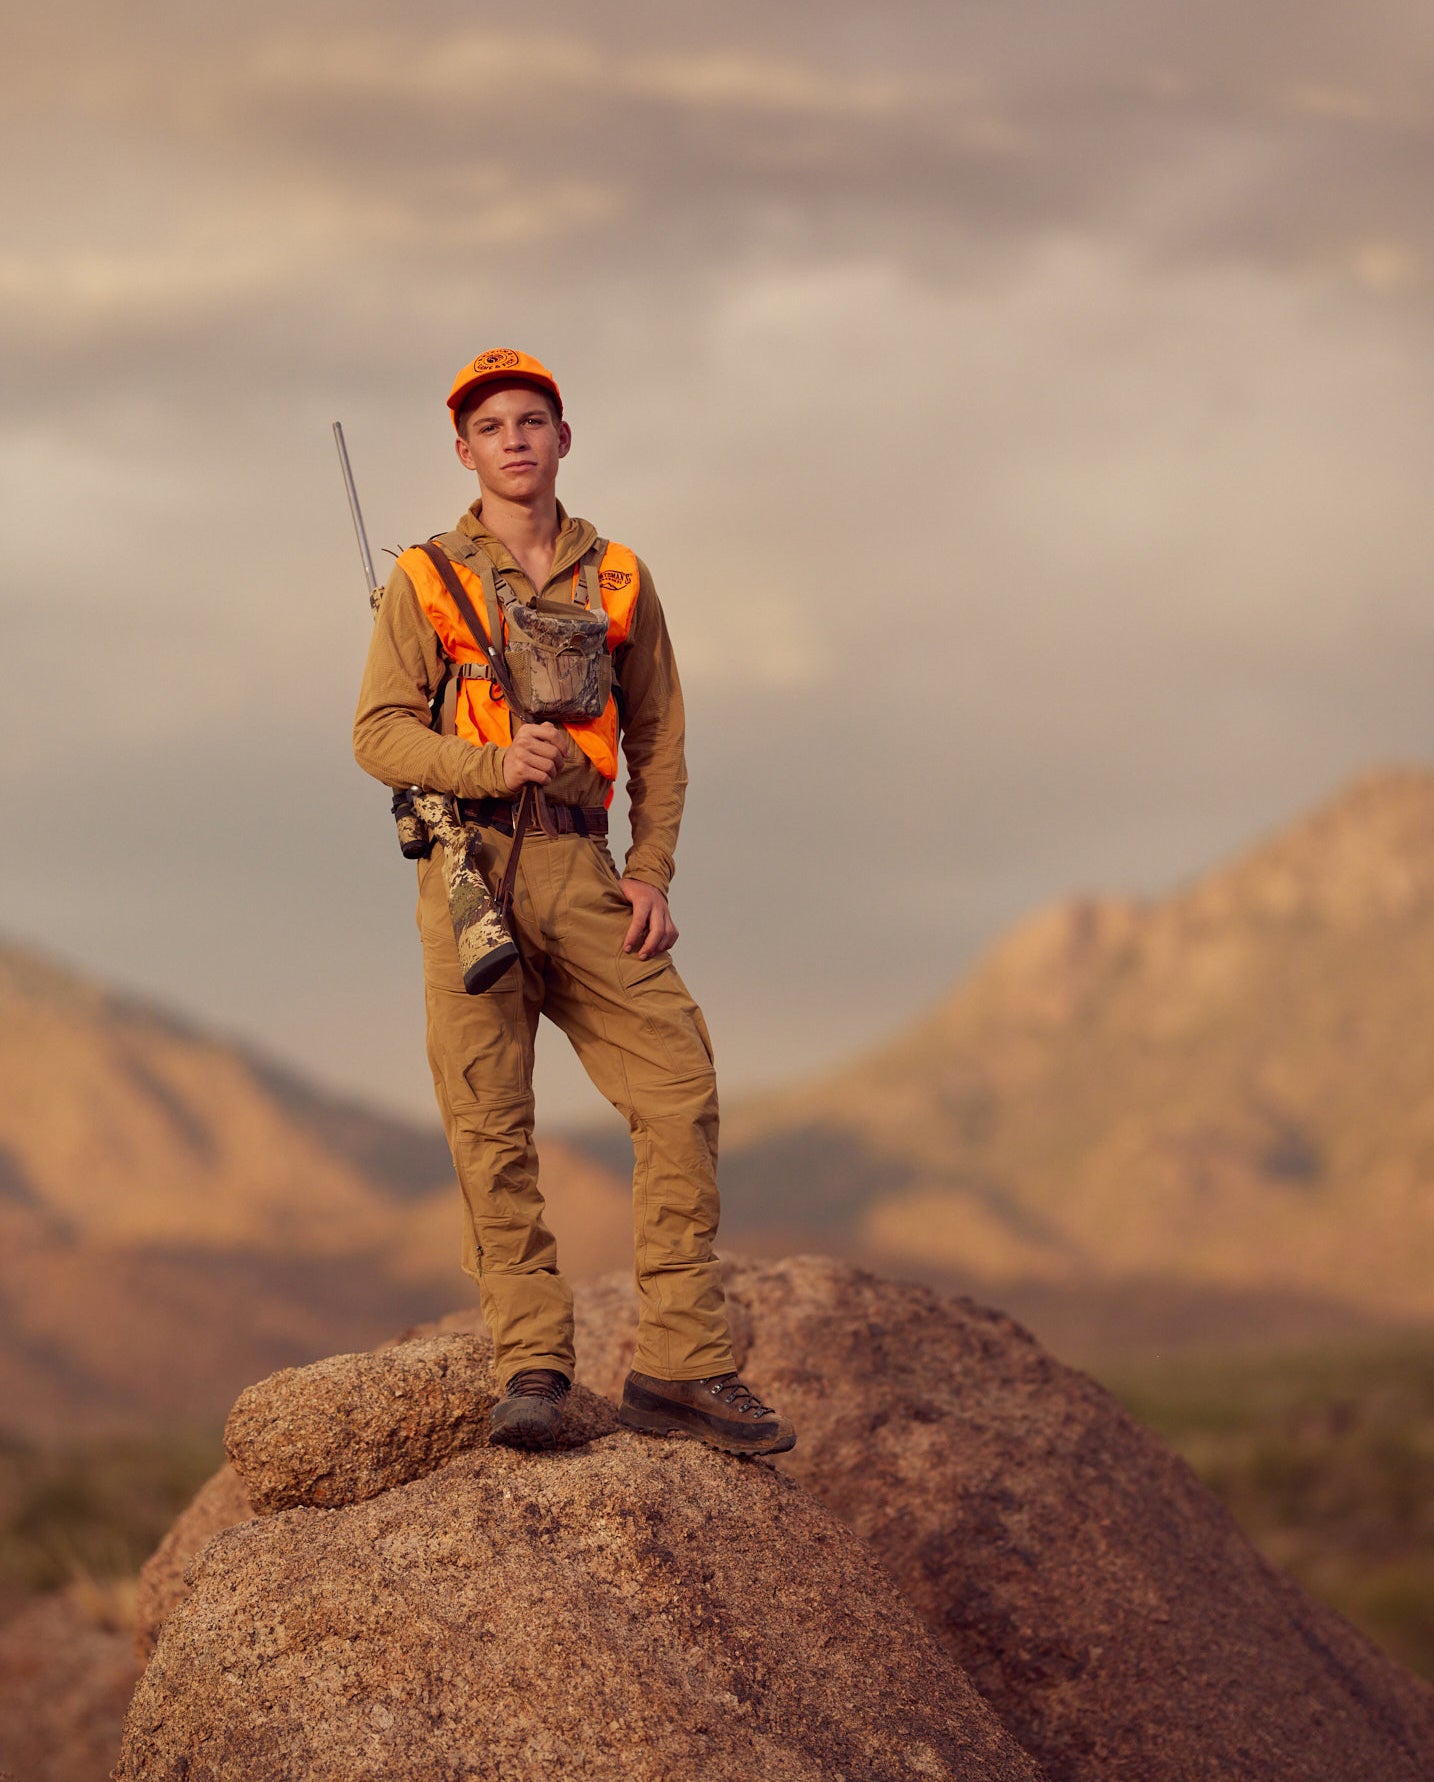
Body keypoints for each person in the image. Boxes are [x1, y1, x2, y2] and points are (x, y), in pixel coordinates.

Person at [353, 349, 794, 1457]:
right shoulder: (425, 579)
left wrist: (652, 870)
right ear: (465, 450)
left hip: (584, 871)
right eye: (492, 423)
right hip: (472, 878)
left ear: (562, 438)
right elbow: (376, 733)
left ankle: (683, 1367)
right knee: (490, 1123)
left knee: (679, 1087)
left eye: (533, 418)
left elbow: (661, 739)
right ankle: (534, 1367)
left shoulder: (622, 578)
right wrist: (491, 760)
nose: (513, 436)